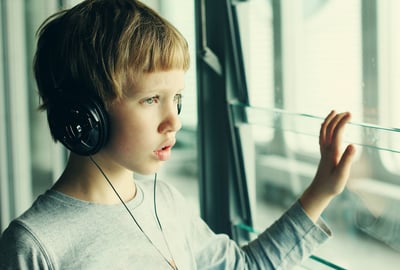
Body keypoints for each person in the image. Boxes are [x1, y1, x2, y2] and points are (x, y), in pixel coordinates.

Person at [0, 0, 356, 269]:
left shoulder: (168, 203)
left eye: (178, 99)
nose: (175, 120)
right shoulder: (35, 245)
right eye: (151, 99)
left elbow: (244, 267)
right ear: (84, 114)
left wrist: (319, 192)